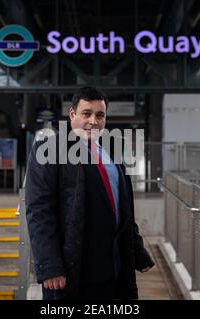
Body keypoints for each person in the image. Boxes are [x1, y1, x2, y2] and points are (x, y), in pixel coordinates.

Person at [25, 86, 154, 300]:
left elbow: (123, 210)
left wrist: (137, 253)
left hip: (113, 270)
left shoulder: (112, 154)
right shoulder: (47, 150)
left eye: (100, 115)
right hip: (73, 270)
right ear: (72, 114)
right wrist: (49, 265)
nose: (93, 121)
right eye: (87, 113)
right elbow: (39, 211)